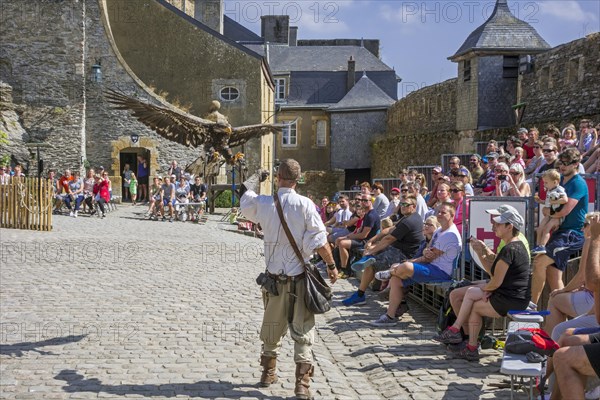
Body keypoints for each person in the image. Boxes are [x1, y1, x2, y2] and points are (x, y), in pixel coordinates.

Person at [239, 159, 338, 400]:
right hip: (299, 280)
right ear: (298, 180)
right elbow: (319, 241)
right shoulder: (306, 205)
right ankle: (302, 386)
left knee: (272, 327)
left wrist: (256, 176)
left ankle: (267, 373)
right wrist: (332, 266)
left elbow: (244, 199)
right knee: (303, 331)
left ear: (278, 178)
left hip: (274, 281)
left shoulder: (264, 204)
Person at [435, 207, 530, 361]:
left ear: (509, 227)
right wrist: (482, 253)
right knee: (471, 294)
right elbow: (496, 275)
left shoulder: (510, 248)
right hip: (511, 294)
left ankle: (465, 340)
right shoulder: (512, 246)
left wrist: (488, 289)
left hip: (511, 297)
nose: (494, 226)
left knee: (474, 304)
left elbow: (496, 280)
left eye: (499, 224)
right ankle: (466, 341)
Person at [370, 203, 461, 326]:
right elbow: (428, 250)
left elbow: (429, 258)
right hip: (431, 266)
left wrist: (410, 262)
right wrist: (425, 252)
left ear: (452, 215)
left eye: (443, 212)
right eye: (438, 212)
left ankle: (389, 273)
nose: (439, 214)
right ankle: (390, 316)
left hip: (441, 271)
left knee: (404, 267)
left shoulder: (450, 234)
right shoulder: (440, 230)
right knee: (397, 278)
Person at [342, 196, 424, 307]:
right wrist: (373, 240)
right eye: (401, 204)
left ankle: (360, 295)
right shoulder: (409, 217)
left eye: (406, 205)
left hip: (405, 255)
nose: (403, 207)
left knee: (371, 262)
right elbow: (390, 229)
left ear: (413, 207)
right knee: (373, 252)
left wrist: (372, 250)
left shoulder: (409, 221)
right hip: (398, 249)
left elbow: (388, 239)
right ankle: (368, 268)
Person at [531, 149, 589, 306]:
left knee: (539, 262)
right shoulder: (560, 180)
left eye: (566, 163)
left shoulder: (578, 183)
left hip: (572, 234)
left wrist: (546, 211)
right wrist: (546, 209)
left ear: (576, 164)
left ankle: (531, 306)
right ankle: (564, 312)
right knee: (552, 274)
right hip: (560, 232)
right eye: (560, 163)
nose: (562, 166)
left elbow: (564, 210)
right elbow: (548, 206)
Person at [532, 169, 567, 254]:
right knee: (539, 228)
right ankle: (538, 246)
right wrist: (541, 201)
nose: (544, 184)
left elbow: (565, 200)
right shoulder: (549, 190)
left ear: (555, 182)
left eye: (546, 183)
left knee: (546, 229)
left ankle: (542, 246)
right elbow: (548, 202)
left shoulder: (559, 189)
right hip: (549, 213)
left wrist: (554, 202)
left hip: (556, 214)